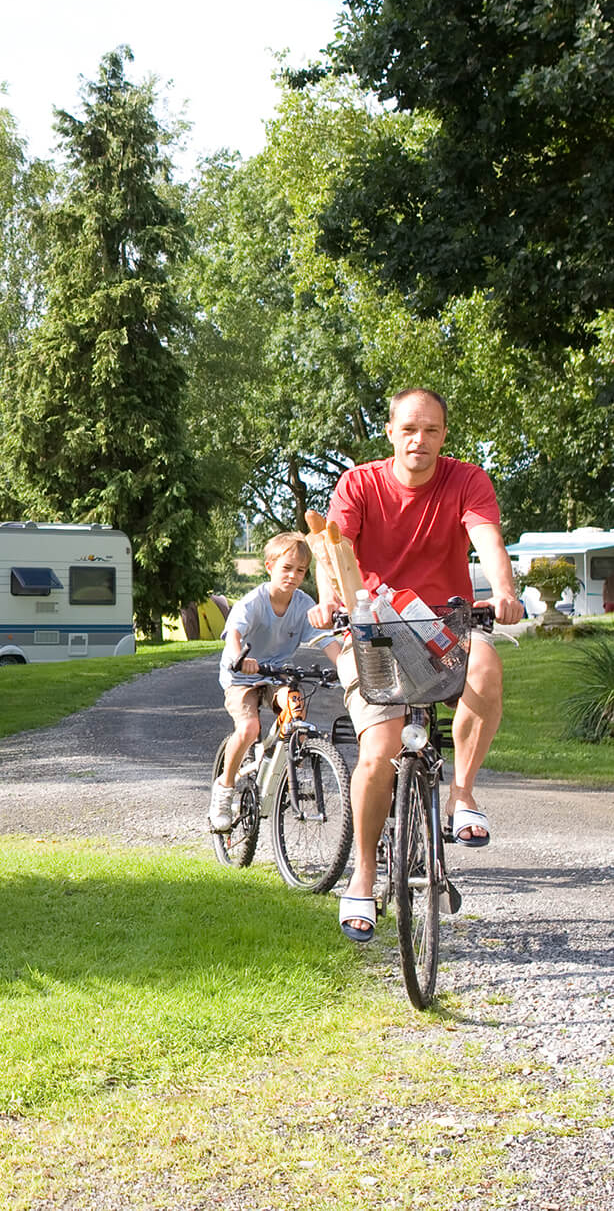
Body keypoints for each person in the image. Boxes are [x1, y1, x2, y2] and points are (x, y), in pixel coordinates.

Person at [310, 388, 522, 942]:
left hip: (441, 628)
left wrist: (503, 590)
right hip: (373, 629)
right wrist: (331, 598)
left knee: (487, 664)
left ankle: (462, 796)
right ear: (390, 432)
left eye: (430, 430)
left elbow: (488, 540)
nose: (419, 440)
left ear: (444, 435)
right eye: (409, 429)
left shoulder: (467, 481)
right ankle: (361, 875)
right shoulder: (359, 484)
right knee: (378, 752)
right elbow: (334, 552)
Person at [210, 532, 340, 832]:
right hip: (241, 676)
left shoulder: (303, 605)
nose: (293, 576)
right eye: (287, 568)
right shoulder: (253, 602)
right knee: (249, 727)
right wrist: (240, 657)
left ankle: (284, 766)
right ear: (269, 566)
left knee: (295, 709)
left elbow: (327, 643)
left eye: (300, 570)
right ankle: (225, 788)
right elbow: (233, 636)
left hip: (277, 674)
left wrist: (346, 668)